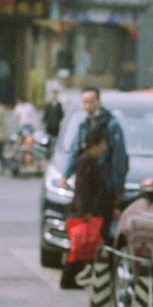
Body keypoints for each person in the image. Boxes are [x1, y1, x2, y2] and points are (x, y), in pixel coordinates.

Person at [60, 121, 113, 289]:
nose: (105, 147)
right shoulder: (87, 162)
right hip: (85, 214)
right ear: (95, 144)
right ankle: (68, 279)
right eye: (103, 143)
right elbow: (82, 188)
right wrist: (84, 211)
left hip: (87, 212)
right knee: (80, 247)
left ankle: (71, 279)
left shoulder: (90, 161)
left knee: (82, 247)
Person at [61, 87, 128, 216]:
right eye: (85, 102)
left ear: (99, 102)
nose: (89, 106)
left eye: (92, 101)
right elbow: (75, 150)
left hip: (105, 185)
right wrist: (66, 174)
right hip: (88, 183)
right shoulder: (84, 125)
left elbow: (119, 159)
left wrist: (118, 188)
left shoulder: (111, 125)